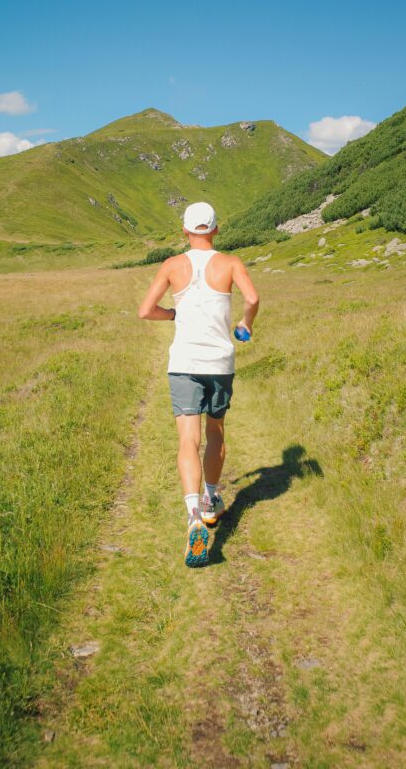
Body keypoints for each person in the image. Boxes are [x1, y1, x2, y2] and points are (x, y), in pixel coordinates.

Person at [138, 201, 259, 567]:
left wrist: (173, 313)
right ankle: (211, 500)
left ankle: (193, 516)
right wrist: (246, 324)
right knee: (216, 431)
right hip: (219, 362)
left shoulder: (172, 265)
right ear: (216, 230)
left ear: (185, 231)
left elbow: (145, 310)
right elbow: (252, 298)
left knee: (187, 440)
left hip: (184, 364)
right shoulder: (231, 263)